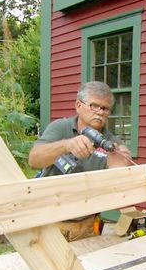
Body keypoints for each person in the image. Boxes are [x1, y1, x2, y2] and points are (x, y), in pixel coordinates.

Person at [28, 81, 133, 241]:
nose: (99, 112)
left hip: (88, 225)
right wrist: (66, 145)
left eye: (105, 108)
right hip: (51, 223)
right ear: (78, 105)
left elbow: (119, 181)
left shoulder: (111, 142)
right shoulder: (60, 128)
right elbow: (34, 159)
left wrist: (121, 163)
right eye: (94, 106)